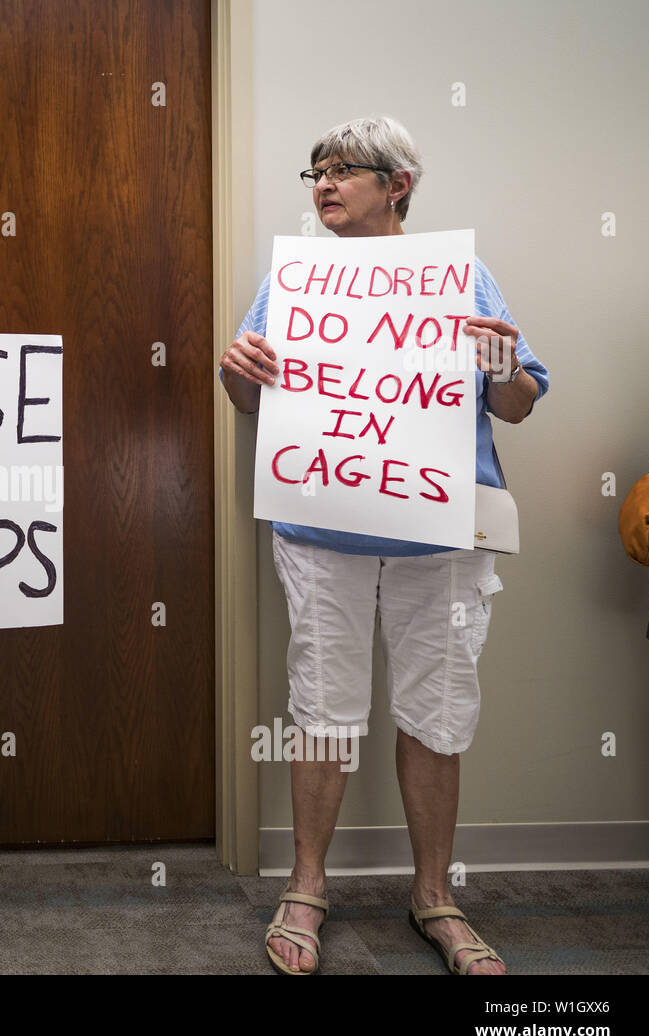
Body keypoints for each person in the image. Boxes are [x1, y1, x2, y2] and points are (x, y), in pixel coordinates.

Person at [219, 116, 548, 975]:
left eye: (342, 170)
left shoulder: (460, 275)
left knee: (438, 709)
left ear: (397, 184)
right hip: (322, 528)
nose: (322, 183)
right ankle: (306, 885)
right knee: (320, 705)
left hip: (438, 534)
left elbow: (515, 403)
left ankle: (434, 892)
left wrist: (499, 364)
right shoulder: (297, 278)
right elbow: (245, 399)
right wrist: (235, 370)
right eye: (314, 171)